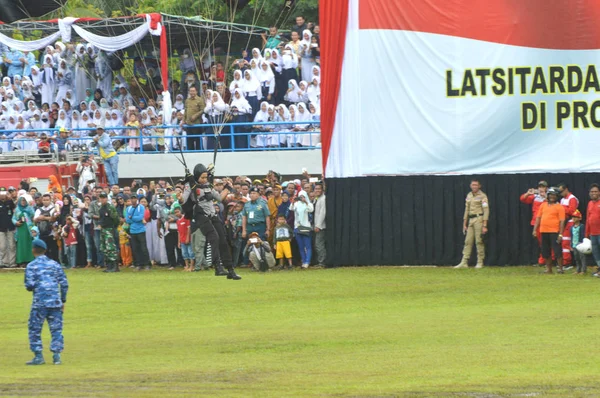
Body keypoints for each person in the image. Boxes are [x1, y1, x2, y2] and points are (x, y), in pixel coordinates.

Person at [180, 163, 241, 280]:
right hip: (201, 216)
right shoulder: (190, 186)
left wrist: (227, 188)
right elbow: (184, 199)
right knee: (214, 237)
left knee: (223, 240)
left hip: (213, 215)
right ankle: (217, 266)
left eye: (205, 177)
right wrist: (179, 197)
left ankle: (230, 270)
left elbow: (219, 198)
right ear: (197, 176)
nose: (204, 179)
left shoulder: (208, 186)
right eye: (202, 177)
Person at [24, 238, 68, 366]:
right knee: (56, 329)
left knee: (35, 329)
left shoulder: (31, 266)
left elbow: (29, 285)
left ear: (33, 250)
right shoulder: (55, 264)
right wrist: (62, 299)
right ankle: (57, 356)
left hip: (40, 303)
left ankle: (38, 356)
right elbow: (64, 284)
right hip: (55, 302)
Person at [455, 180, 489, 269]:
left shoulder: (483, 196)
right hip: (471, 220)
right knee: (468, 241)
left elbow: (486, 210)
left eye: (476, 185)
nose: (474, 186)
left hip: (479, 219)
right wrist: (464, 223)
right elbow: (466, 209)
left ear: (479, 186)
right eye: (473, 185)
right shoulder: (469, 195)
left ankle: (480, 262)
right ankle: (464, 262)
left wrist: (484, 225)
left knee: (479, 241)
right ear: (470, 185)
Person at [533, 187, 566, 274]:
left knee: (557, 251)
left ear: (557, 196)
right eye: (550, 195)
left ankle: (560, 269)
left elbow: (562, 221)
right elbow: (538, 218)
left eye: (554, 195)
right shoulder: (543, 205)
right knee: (545, 251)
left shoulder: (560, 207)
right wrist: (534, 230)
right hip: (544, 231)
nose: (552, 197)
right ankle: (549, 269)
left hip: (554, 232)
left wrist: (560, 234)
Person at [520, 180, 548, 266]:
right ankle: (543, 259)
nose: (541, 188)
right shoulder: (535, 196)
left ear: (546, 188)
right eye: (540, 187)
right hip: (536, 222)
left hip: (547, 222)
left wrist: (546, 197)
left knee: (546, 242)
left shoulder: (550, 196)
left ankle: (546, 259)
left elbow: (554, 204)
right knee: (540, 242)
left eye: (543, 187)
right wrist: (528, 193)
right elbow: (522, 199)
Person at [126, 194, 151, 271]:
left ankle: (147, 264)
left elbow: (140, 217)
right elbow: (127, 219)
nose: (133, 200)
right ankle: (138, 264)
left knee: (143, 248)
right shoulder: (128, 208)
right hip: (132, 231)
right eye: (132, 198)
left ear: (136, 199)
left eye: (134, 198)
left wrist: (132, 218)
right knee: (135, 248)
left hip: (141, 230)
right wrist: (134, 219)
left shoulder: (141, 207)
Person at [290, 190, 314, 268]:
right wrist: (293, 201)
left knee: (307, 246)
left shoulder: (309, 204)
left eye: (303, 196)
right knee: (300, 246)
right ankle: (303, 261)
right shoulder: (296, 204)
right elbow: (291, 208)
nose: (302, 198)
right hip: (297, 226)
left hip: (306, 226)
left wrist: (306, 202)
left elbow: (311, 209)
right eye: (300, 197)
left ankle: (307, 261)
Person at [558, 183, 578, 269]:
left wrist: (562, 209)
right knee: (563, 242)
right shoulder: (562, 199)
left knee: (566, 242)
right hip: (563, 221)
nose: (561, 193)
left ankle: (567, 263)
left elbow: (572, 211)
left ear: (566, 189)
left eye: (561, 191)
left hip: (570, 222)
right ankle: (565, 261)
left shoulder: (572, 198)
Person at [98, 192, 119, 273]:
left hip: (110, 229)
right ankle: (109, 266)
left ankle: (115, 266)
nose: (102, 199)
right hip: (103, 229)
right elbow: (101, 218)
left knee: (111, 248)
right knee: (105, 248)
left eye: (104, 197)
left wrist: (113, 227)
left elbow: (116, 219)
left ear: (107, 198)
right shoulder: (100, 208)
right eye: (101, 198)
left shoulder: (110, 207)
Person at [34, 194, 59, 262]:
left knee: (53, 252)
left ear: (50, 200)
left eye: (47, 200)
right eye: (44, 200)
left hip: (51, 233)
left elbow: (54, 218)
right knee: (44, 252)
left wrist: (44, 218)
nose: (45, 201)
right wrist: (39, 218)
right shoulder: (39, 210)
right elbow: (35, 219)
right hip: (42, 233)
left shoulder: (54, 208)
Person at [13, 195, 35, 265]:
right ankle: (21, 261)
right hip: (20, 229)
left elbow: (33, 215)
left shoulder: (29, 208)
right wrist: (16, 222)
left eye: (25, 200)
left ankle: (30, 260)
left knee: (29, 244)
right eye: (22, 200)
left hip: (28, 229)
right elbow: (13, 218)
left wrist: (31, 207)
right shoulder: (17, 209)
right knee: (21, 244)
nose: (23, 202)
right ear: (19, 201)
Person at [585, 184, 600, 276]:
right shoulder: (590, 203)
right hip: (593, 233)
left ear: (599, 192)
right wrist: (587, 234)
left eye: (595, 191)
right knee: (596, 253)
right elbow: (588, 219)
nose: (593, 193)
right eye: (591, 192)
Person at [184, 86, 205, 151]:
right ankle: (190, 153)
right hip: (188, 124)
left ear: (196, 92)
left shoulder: (200, 100)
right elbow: (185, 111)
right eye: (191, 91)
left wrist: (195, 116)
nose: (192, 92)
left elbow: (203, 110)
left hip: (196, 123)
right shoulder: (187, 100)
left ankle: (199, 153)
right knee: (189, 141)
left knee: (198, 140)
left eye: (193, 91)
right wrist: (183, 120)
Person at [0, 187, 16, 267]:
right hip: (1, 228)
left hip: (10, 227)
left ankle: (12, 263)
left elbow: (15, 211)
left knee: (12, 245)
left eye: (4, 193)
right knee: (2, 246)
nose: (2, 196)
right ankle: (5, 263)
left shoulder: (10, 202)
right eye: (1, 194)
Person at [176, 206, 194, 272]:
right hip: (182, 240)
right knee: (184, 253)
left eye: (178, 212)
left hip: (188, 239)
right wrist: (179, 242)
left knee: (191, 253)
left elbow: (189, 229)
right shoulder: (177, 221)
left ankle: (191, 266)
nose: (177, 214)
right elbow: (179, 232)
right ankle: (187, 266)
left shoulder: (186, 218)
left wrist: (187, 238)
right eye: (175, 212)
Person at [313, 182, 327, 266]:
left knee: (319, 244)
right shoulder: (317, 199)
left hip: (321, 226)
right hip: (316, 225)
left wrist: (318, 225)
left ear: (322, 189)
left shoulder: (323, 199)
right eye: (316, 189)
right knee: (317, 244)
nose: (317, 190)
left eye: (319, 189)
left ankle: (322, 262)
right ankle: (320, 261)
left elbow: (323, 213)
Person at [570, 209, 587, 274]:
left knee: (582, 257)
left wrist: (582, 243)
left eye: (575, 217)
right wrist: (571, 245)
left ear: (579, 218)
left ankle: (583, 270)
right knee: (576, 257)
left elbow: (582, 235)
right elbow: (571, 236)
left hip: (580, 245)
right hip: (574, 245)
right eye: (573, 217)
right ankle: (578, 269)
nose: (573, 218)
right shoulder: (572, 227)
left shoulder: (581, 226)